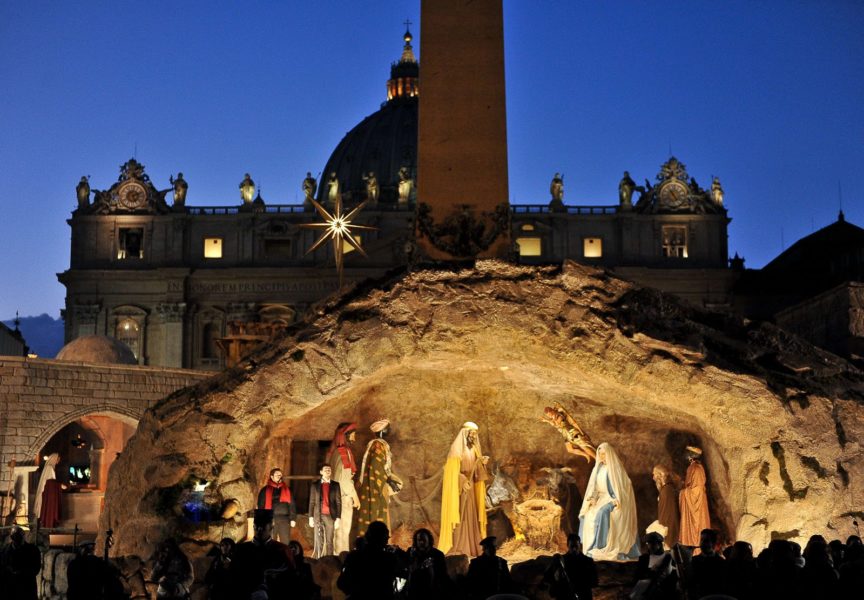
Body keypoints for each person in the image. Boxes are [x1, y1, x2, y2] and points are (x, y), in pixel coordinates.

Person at [578, 442, 640, 561]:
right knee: (588, 514)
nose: (601, 457)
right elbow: (595, 488)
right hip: (601, 498)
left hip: (613, 499)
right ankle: (590, 548)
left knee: (602, 512)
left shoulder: (616, 469)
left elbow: (624, 487)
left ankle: (599, 546)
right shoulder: (598, 468)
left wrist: (618, 499)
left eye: (603, 454)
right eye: (600, 454)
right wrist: (593, 498)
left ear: (609, 454)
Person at [439, 421, 490, 556]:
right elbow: (451, 472)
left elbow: (477, 470)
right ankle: (460, 546)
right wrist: (462, 481)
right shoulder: (456, 450)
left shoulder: (474, 449)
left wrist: (482, 462)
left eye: (475, 434)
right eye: (471, 434)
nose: (473, 437)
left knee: (471, 513)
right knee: (461, 514)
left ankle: (473, 546)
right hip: (460, 489)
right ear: (465, 434)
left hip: (471, 486)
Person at [231, 509, 296, 599]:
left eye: (263, 525)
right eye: (257, 525)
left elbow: (291, 578)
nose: (259, 529)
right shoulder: (241, 549)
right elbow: (234, 578)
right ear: (253, 526)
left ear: (271, 527)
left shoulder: (282, 550)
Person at [357, 419, 401, 537]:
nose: (390, 430)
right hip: (375, 485)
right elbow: (376, 467)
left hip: (374, 482)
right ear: (382, 431)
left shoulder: (378, 444)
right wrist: (388, 481)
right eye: (388, 428)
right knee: (377, 510)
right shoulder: (378, 445)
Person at [337, 520, 401, 600]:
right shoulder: (389, 558)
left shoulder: (353, 556)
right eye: (387, 538)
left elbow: (341, 583)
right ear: (383, 538)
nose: (387, 541)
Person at [328, 422, 361, 554]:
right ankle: (342, 560)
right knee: (343, 531)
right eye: (353, 434)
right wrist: (354, 496)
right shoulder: (344, 453)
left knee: (338, 531)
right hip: (343, 496)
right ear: (346, 436)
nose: (355, 437)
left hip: (335, 496)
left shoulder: (335, 452)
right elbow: (344, 480)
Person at [544, 533, 599, 600]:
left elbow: (595, 582)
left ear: (580, 545)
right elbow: (547, 578)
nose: (574, 549)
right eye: (572, 546)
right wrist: (556, 577)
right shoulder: (560, 561)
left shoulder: (588, 561)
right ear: (567, 546)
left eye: (576, 546)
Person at [404, 528, 451, 600]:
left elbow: (443, 575)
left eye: (424, 540)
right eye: (419, 540)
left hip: (432, 589)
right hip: (414, 589)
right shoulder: (411, 551)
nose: (421, 542)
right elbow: (406, 569)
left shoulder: (438, 554)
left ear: (429, 540)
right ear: (416, 541)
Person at [678, 446, 710, 547]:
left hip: (697, 505)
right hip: (692, 503)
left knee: (697, 526)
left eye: (686, 453)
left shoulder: (697, 469)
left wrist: (683, 492)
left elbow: (697, 490)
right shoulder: (692, 467)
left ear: (690, 456)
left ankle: (696, 549)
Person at [630, 532, 677, 600]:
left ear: (659, 544)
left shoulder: (668, 557)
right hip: (645, 590)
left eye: (653, 544)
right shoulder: (644, 559)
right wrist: (650, 572)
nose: (650, 546)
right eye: (649, 543)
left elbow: (672, 577)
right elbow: (637, 576)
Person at [309, 464, 342, 558]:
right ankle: (320, 559)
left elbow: (339, 502)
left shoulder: (336, 485)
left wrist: (338, 518)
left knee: (329, 540)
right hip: (318, 516)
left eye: (329, 470)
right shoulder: (315, 485)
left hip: (330, 516)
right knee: (319, 540)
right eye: (326, 469)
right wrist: (311, 517)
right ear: (321, 472)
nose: (328, 471)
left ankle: (330, 560)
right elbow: (311, 502)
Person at [256, 467, 296, 544]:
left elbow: (292, 504)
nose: (279, 476)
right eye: (277, 474)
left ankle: (284, 556)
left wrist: (293, 518)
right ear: (272, 477)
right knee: (269, 541)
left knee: (285, 541)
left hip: (284, 519)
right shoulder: (265, 490)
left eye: (280, 474)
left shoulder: (287, 489)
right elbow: (260, 506)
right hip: (270, 519)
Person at [0, 526, 41, 600]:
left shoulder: (33, 550)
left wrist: (21, 572)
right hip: (10, 589)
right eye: (17, 537)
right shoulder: (4, 551)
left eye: (21, 536)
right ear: (12, 537)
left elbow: (36, 568)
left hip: (26, 588)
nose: (20, 539)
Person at [686, 529, 727, 600]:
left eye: (706, 540)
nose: (702, 543)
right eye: (701, 540)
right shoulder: (693, 560)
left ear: (713, 544)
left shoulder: (721, 562)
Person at [651, 465, 680, 548]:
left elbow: (668, 514)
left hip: (669, 530)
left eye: (654, 475)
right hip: (667, 528)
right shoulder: (666, 489)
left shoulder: (666, 491)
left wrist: (663, 530)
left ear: (660, 475)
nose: (653, 478)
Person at [34, 452, 63, 528]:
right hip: (48, 494)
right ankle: (48, 527)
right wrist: (60, 485)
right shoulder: (49, 468)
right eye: (58, 459)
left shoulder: (50, 467)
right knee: (49, 511)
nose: (58, 461)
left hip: (49, 493)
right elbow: (50, 483)